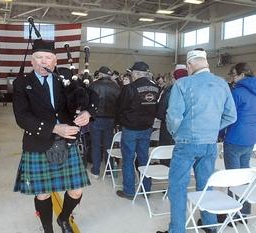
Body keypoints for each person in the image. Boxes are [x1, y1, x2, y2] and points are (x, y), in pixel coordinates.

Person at [13, 39, 97, 233]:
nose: (44, 62)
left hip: (67, 143)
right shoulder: (22, 83)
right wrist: (54, 128)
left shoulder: (65, 78)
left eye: (48, 58)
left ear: (55, 61)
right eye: (39, 58)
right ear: (32, 62)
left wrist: (88, 113)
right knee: (42, 194)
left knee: (76, 190)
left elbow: (92, 97)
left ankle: (64, 218)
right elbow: (22, 117)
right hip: (37, 142)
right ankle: (47, 228)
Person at [156, 49, 237, 233]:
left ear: (190, 65)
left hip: (186, 142)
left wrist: (175, 134)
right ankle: (210, 224)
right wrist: (213, 128)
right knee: (206, 184)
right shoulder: (222, 84)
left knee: (178, 186)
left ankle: (177, 229)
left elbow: (174, 116)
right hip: (210, 143)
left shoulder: (183, 84)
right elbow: (231, 116)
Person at [116, 61, 160, 199]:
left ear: (135, 74)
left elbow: (120, 108)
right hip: (147, 128)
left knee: (128, 160)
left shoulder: (129, 88)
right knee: (144, 159)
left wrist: (121, 122)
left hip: (130, 128)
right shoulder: (156, 88)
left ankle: (129, 191)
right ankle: (146, 188)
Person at [223, 62, 256, 219]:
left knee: (233, 176)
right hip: (250, 138)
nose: (232, 79)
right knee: (244, 174)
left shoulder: (237, 92)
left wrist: (219, 132)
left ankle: (233, 214)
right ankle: (244, 210)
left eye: (234, 75)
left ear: (243, 75)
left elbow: (229, 116)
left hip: (235, 137)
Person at [89, 66, 121, 178]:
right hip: (110, 119)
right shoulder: (116, 86)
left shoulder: (93, 85)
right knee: (109, 145)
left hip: (96, 118)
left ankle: (96, 171)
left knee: (96, 145)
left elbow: (87, 102)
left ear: (101, 75)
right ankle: (109, 171)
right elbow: (119, 105)